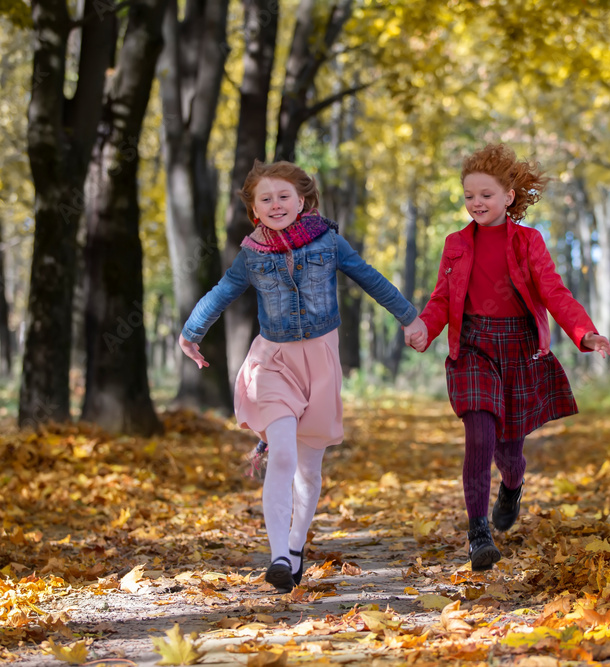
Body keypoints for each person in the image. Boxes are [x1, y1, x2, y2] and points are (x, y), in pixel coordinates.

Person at [179, 160, 426, 593]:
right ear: (255, 209)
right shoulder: (251, 255)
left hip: (320, 365)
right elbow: (221, 292)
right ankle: (276, 556)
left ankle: (295, 549)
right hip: (273, 363)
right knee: (283, 456)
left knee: (309, 472)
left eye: (283, 197)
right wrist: (190, 333)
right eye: (265, 199)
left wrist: (409, 318)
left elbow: (369, 277)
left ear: (302, 201)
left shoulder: (329, 242)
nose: (275, 205)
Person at [405, 143, 610, 571]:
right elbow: (443, 298)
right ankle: (478, 531)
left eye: (485, 195)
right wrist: (426, 326)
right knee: (479, 431)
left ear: (508, 197)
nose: (476, 203)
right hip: (474, 345)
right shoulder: (456, 244)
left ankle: (512, 486)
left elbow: (554, 291)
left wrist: (584, 332)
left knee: (509, 450)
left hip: (518, 347)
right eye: (469, 196)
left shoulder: (528, 242)